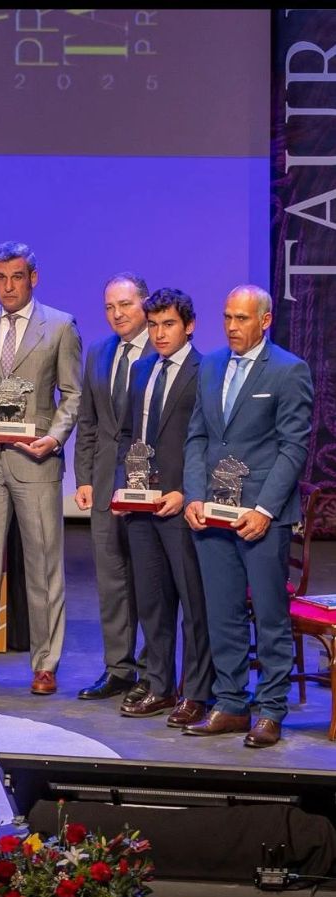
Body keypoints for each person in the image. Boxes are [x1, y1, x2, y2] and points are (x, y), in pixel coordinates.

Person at [0, 241, 82, 695]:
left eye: (17, 277)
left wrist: (54, 437)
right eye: (1, 278)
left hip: (36, 462)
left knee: (44, 567)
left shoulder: (60, 326)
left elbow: (73, 394)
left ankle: (45, 664)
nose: (8, 286)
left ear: (33, 278)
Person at [183, 285, 312, 748]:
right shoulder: (212, 365)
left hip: (262, 516)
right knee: (223, 615)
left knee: (271, 618)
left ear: (265, 320)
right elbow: (198, 437)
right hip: (213, 513)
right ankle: (232, 704)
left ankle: (271, 710)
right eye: (227, 317)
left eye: (242, 318)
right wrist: (194, 496)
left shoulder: (288, 370)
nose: (232, 326)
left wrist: (264, 509)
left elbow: (293, 446)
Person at [115, 288, 214, 725]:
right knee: (152, 601)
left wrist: (188, 493)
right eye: (153, 325)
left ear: (188, 325)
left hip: (181, 505)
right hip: (140, 505)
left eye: (168, 324)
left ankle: (196, 692)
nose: (159, 333)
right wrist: (123, 487)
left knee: (193, 604)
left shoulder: (206, 370)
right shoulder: (141, 370)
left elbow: (212, 442)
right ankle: (159, 685)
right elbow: (127, 436)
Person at [72, 272, 154, 704]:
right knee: (111, 581)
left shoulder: (161, 352)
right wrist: (83, 477)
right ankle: (118, 669)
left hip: (147, 485)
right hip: (105, 483)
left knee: (147, 581)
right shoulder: (100, 353)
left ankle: (152, 671)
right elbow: (88, 421)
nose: (117, 313)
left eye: (125, 304)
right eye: (109, 306)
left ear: (144, 303)